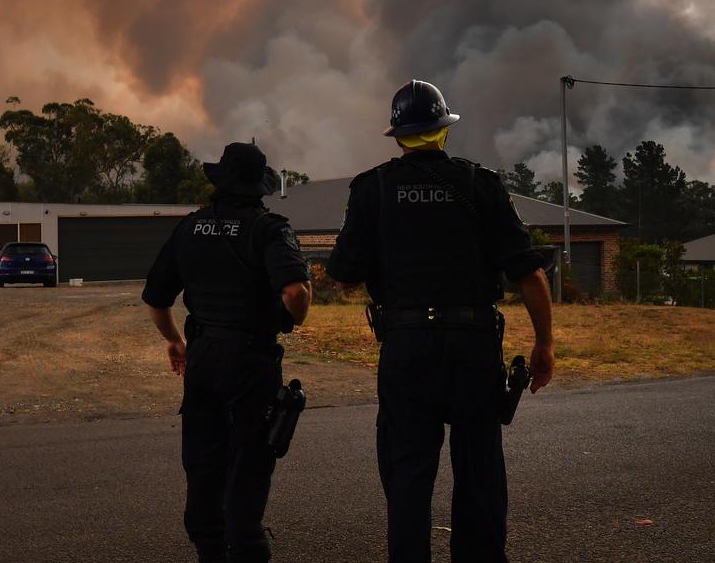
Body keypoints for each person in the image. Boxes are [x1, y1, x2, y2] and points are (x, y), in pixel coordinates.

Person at [327, 80, 555, 563]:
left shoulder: (371, 190)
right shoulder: (480, 184)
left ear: (398, 134)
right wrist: (544, 345)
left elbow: (342, 275)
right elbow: (530, 274)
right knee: (479, 474)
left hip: (405, 348)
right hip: (472, 347)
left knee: (407, 475)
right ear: (443, 129)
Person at [142, 142, 312, 563]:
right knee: (250, 456)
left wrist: (175, 342)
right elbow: (295, 291)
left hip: (202, 358)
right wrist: (287, 317)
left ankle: (209, 546)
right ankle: (247, 545)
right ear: (259, 185)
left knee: (203, 458)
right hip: (251, 360)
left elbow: (156, 298)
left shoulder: (191, 227)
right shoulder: (268, 228)